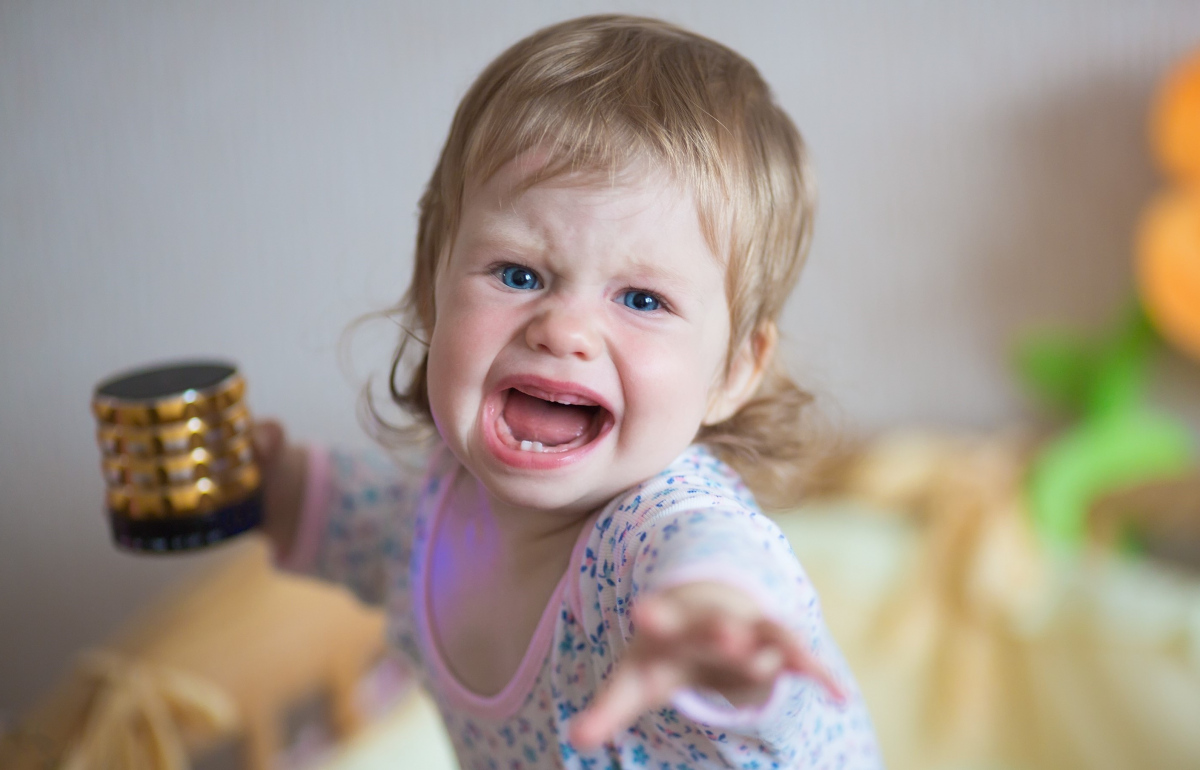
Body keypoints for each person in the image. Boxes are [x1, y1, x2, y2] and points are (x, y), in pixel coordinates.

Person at [255, 14, 882, 769]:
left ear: (733, 372)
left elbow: (708, 550)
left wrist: (712, 619)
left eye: (643, 300)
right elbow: (371, 523)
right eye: (518, 274)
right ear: (431, 288)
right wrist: (271, 485)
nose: (564, 330)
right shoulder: (440, 508)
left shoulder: (647, 538)